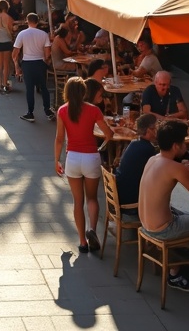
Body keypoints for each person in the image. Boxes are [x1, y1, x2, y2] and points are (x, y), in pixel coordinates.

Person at [138, 119, 189, 293]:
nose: (186, 145)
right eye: (184, 142)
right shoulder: (176, 168)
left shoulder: (153, 159)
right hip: (163, 229)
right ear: (176, 146)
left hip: (145, 223)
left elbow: (170, 176)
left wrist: (188, 172)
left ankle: (183, 264)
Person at [55, 77, 114, 253]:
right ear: (84, 92)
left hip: (72, 158)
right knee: (92, 198)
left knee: (77, 201)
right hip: (91, 157)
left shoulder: (63, 111)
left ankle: (82, 242)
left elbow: (59, 139)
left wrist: (56, 160)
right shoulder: (93, 110)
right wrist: (101, 147)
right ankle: (92, 230)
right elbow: (109, 134)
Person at [114, 114, 159, 217]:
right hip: (131, 203)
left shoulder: (134, 143)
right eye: (156, 128)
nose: (157, 131)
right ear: (149, 130)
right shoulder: (148, 149)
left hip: (121, 195)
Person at [12, 13, 54, 122]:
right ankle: (47, 110)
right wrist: (46, 61)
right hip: (40, 62)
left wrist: (17, 66)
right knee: (44, 87)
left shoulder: (22, 34)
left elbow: (15, 52)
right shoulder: (43, 34)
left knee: (29, 89)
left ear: (27, 21)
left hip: (27, 63)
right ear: (37, 22)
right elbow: (47, 52)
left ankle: (30, 113)